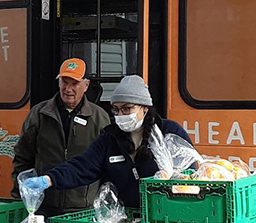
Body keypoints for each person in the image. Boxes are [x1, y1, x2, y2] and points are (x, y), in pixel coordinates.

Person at [12, 58, 109, 223]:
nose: (68, 88)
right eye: (65, 82)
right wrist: (20, 196)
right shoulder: (39, 114)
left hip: (80, 210)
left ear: (86, 85)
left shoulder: (99, 118)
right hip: (42, 209)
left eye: (74, 83)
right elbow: (22, 156)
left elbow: (107, 164)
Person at [31, 75, 192, 215]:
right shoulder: (109, 138)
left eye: (127, 109)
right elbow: (82, 166)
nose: (120, 115)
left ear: (144, 108)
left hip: (166, 216)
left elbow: (190, 173)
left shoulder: (169, 132)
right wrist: (49, 179)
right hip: (125, 218)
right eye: (116, 110)